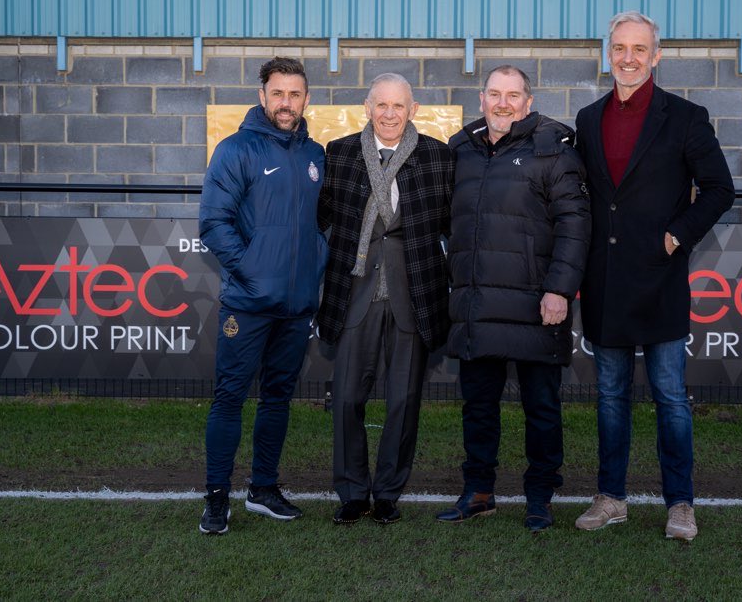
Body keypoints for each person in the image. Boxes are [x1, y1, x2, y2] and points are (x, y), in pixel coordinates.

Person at [573, 12, 735, 541]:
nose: (628, 57)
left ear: (656, 55)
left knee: (669, 395)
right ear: (608, 53)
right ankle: (611, 497)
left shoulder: (686, 117)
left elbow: (718, 189)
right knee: (611, 396)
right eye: (619, 47)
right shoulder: (588, 117)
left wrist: (677, 234)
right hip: (606, 281)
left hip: (660, 276)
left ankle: (681, 503)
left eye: (639, 49)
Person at [436, 65, 590, 533]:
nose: (503, 103)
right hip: (476, 305)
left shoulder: (553, 149)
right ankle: (478, 492)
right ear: (481, 98)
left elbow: (575, 225)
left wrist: (559, 289)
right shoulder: (460, 149)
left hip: (535, 307)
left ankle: (540, 497)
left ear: (528, 100)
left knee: (541, 408)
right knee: (477, 407)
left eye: (513, 95)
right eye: (495, 94)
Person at [197, 57, 327, 535]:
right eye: (278, 94)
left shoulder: (316, 155)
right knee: (229, 397)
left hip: (296, 308)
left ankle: (264, 489)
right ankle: (216, 498)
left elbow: (322, 224)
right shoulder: (235, 150)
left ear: (306, 98)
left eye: (295, 94)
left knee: (278, 398)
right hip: (248, 303)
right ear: (262, 97)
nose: (286, 103)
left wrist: (316, 261)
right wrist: (254, 273)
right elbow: (213, 223)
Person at [317, 73, 454, 525]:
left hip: (413, 293)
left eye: (399, 106)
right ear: (368, 107)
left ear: (412, 109)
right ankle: (353, 493)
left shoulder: (438, 157)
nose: (390, 114)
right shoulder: (339, 154)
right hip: (354, 291)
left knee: (403, 400)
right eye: (382, 105)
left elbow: (452, 224)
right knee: (347, 401)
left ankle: (389, 492)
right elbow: (320, 219)